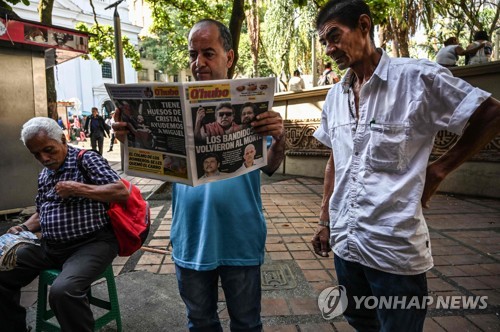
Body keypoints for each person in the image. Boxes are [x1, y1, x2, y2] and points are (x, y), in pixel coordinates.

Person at [311, 1, 500, 331]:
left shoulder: (417, 79)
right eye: (324, 42)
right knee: (359, 319)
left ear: (364, 26)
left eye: (334, 36)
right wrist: (325, 219)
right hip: (346, 244)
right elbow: (334, 161)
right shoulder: (334, 97)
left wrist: (440, 169)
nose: (329, 49)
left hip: (393, 252)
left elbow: (491, 113)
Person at [113, 18, 286, 331]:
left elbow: (272, 165)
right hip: (191, 237)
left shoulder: (253, 104)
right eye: (193, 54)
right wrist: (129, 139)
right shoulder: (180, 105)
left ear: (229, 57)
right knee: (200, 323)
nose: (199, 62)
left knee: (247, 324)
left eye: (208, 53)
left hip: (241, 236)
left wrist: (280, 137)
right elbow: (153, 164)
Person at [0, 117, 129, 332]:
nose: (44, 158)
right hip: (52, 246)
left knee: (63, 291)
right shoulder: (44, 175)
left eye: (48, 150)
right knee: (2, 271)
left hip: (92, 244)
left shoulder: (86, 159)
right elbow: (43, 213)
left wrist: (78, 188)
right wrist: (24, 228)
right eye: (36, 154)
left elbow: (121, 192)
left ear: (62, 138)